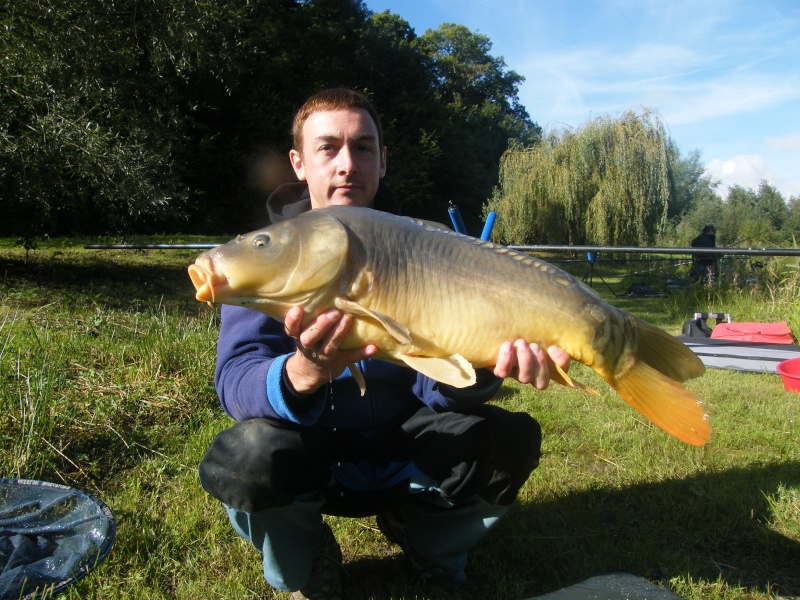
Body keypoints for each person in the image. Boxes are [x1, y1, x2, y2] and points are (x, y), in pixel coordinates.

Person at [198, 88, 571, 600]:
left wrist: (485, 367)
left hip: (405, 444)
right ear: (299, 163)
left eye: (364, 148)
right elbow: (235, 381)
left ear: (383, 160)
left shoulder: (429, 242)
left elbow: (436, 383)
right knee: (245, 457)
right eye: (328, 148)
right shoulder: (272, 257)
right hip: (316, 450)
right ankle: (306, 566)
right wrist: (306, 372)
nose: (348, 165)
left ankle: (427, 542)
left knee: (509, 439)